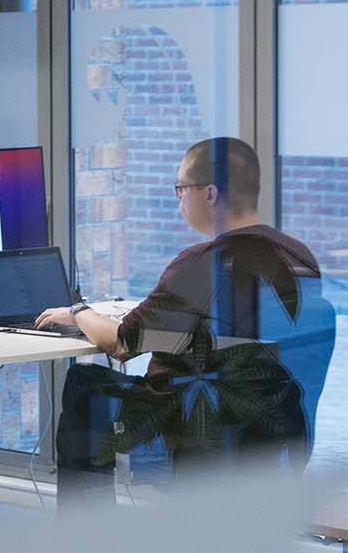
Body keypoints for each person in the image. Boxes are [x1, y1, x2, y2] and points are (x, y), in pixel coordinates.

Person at [37, 137, 323, 505]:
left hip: (192, 426)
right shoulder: (298, 256)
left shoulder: (202, 263)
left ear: (210, 194)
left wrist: (79, 312)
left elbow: (121, 345)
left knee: (85, 385)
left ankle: (88, 532)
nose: (178, 200)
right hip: (276, 429)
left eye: (180, 188)